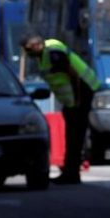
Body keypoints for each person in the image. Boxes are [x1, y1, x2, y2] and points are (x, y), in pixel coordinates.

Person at [20, 34, 100, 185]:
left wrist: (76, 101)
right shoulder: (44, 55)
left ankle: (72, 173)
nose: (28, 54)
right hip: (73, 99)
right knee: (72, 134)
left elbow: (73, 75)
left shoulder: (53, 53)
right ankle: (70, 172)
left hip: (81, 93)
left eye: (29, 50)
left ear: (36, 45)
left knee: (75, 134)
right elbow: (56, 80)